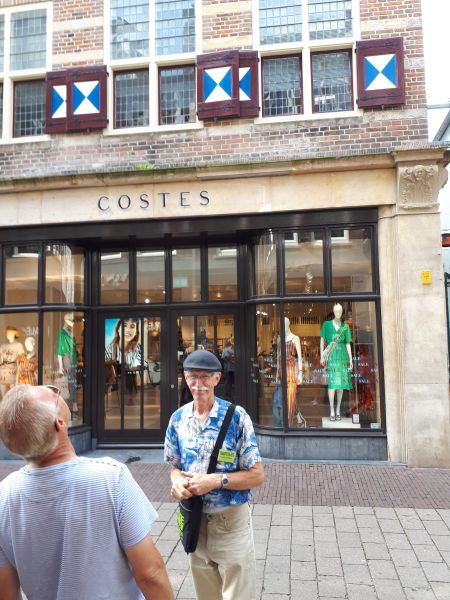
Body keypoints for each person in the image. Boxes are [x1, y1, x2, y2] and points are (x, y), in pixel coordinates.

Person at [0, 384, 174, 600]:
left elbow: (6, 594)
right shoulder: (111, 478)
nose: (56, 390)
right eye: (53, 393)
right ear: (59, 423)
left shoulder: (4, 496)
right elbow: (150, 574)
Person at [165, 349, 264, 600]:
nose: (198, 384)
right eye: (192, 376)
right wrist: (177, 481)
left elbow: (257, 475)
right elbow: (174, 466)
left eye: (204, 377)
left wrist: (216, 480)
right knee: (207, 595)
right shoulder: (178, 419)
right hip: (195, 522)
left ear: (217, 378)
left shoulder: (236, 418)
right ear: (185, 378)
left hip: (230, 522)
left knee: (239, 595)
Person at [320, 303, 353, 421]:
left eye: (340, 311)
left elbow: (348, 343)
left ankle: (338, 409)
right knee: (332, 384)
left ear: (342, 312)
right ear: (333, 312)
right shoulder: (327, 325)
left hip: (342, 356)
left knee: (340, 385)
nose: (338, 313)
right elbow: (322, 340)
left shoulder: (345, 327)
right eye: (336, 311)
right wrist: (322, 356)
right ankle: (332, 410)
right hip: (331, 356)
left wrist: (350, 359)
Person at [276, 317, 303, 426]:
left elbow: (300, 357)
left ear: (289, 324)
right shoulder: (279, 339)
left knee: (290, 397)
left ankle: (288, 424)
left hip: (291, 369)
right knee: (286, 396)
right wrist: (277, 373)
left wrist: (300, 372)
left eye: (285, 324)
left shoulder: (295, 338)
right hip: (282, 371)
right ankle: (299, 418)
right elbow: (278, 356)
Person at [56, 312, 79, 415]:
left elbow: (74, 347)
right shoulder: (62, 333)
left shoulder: (71, 333)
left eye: (73, 320)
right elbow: (59, 351)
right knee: (66, 383)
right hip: (67, 359)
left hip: (73, 359)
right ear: (66, 321)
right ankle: (67, 405)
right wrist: (60, 367)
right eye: (71, 320)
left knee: (72, 382)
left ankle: (74, 404)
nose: (73, 322)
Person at [0, 326, 24, 398]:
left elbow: (22, 360)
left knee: (13, 397)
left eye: (10, 333)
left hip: (13, 373)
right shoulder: (3, 346)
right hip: (3, 374)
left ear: (14, 333)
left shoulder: (19, 345)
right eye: (7, 333)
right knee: (4, 396)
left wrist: (19, 375)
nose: (8, 334)